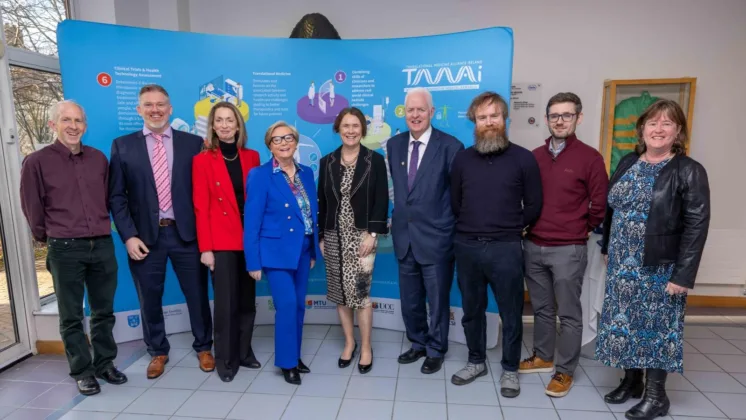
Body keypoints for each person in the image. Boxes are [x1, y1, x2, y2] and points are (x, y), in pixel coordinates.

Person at [597, 99, 710, 420]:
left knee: (658, 329)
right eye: (652, 123)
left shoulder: (688, 170)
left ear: (678, 132)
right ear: (642, 130)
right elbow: (612, 208)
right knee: (626, 324)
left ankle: (657, 396)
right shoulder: (628, 161)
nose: (658, 129)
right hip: (622, 265)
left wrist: (684, 275)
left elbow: (696, 226)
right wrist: (607, 245)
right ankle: (631, 381)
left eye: (667, 124)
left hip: (660, 268)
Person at [20, 100, 127, 395]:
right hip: (65, 247)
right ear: (54, 125)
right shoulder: (36, 162)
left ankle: (105, 364)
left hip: (102, 245)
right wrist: (52, 236)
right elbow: (32, 209)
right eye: (66, 120)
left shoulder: (98, 159)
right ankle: (82, 370)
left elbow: (109, 199)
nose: (73, 126)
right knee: (71, 316)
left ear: (85, 126)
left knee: (104, 311)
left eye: (78, 121)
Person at [109, 84, 214, 379]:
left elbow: (204, 190)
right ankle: (157, 351)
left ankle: (204, 346)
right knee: (149, 298)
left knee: (197, 294)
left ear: (170, 109)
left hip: (187, 235)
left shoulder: (194, 144)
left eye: (161, 104)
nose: (155, 109)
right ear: (139, 110)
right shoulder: (122, 146)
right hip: (144, 238)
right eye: (148, 104)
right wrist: (129, 236)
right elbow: (116, 196)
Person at [449, 92, 542, 397]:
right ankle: (476, 361)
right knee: (471, 310)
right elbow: (455, 202)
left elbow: (534, 204)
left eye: (494, 116)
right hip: (467, 247)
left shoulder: (523, 158)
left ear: (505, 119)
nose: (488, 122)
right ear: (474, 122)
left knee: (511, 311)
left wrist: (510, 227)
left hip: (506, 248)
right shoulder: (462, 159)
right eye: (482, 117)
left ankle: (510, 369)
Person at [519, 92, 609, 397]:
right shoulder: (534, 156)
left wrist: (581, 228)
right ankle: (543, 357)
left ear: (578, 118)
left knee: (569, 313)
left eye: (567, 115)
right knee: (542, 308)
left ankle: (564, 371)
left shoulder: (590, 158)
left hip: (568, 248)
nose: (560, 120)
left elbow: (600, 204)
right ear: (546, 119)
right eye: (554, 115)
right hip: (533, 245)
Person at [386, 87, 464, 374]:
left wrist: (449, 230)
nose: (415, 115)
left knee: (438, 299)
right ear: (404, 113)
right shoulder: (393, 145)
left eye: (421, 110)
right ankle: (417, 343)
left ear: (432, 112)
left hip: (437, 238)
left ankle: (435, 348)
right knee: (410, 299)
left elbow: (458, 196)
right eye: (410, 110)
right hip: (404, 239)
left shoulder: (451, 147)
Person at [244, 121, 318, 385]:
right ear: (269, 146)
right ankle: (287, 363)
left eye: (288, 138)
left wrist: (311, 251)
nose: (284, 143)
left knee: (298, 306)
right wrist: (253, 261)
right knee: (286, 305)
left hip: (302, 250)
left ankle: (294, 355)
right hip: (275, 253)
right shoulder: (260, 175)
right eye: (277, 139)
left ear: (296, 142)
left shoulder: (307, 173)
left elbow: (310, 214)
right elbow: (251, 221)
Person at [192, 102, 261, 382]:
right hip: (221, 240)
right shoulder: (202, 160)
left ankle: (244, 352)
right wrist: (206, 248)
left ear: (238, 124)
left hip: (249, 239)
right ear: (213, 125)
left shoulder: (253, 156)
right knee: (225, 305)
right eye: (219, 120)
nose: (224, 125)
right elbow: (200, 206)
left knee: (247, 301)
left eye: (229, 120)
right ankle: (225, 359)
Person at [317, 107, 389, 374]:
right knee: (340, 293)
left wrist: (372, 234)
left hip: (362, 238)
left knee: (360, 294)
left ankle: (367, 347)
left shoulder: (375, 161)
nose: (350, 131)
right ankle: (349, 343)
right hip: (334, 237)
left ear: (363, 129)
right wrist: (323, 236)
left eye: (355, 126)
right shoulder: (327, 162)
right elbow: (322, 203)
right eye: (345, 126)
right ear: (338, 128)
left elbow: (382, 200)